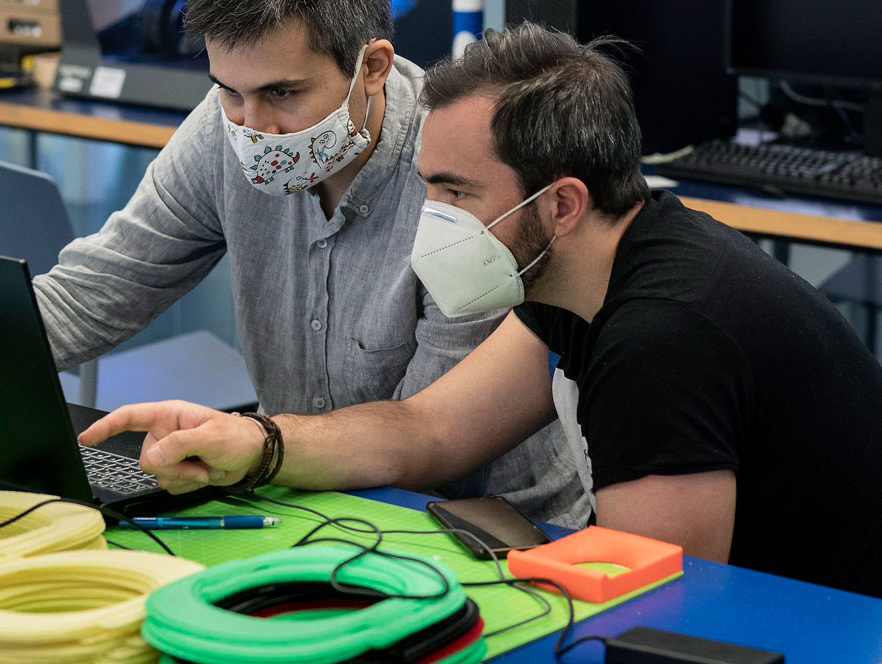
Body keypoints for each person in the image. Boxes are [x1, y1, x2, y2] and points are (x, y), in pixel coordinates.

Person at [0, 2, 586, 526]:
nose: (253, 129)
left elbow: (425, 444)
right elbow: (91, 294)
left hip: (478, 524)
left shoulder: (457, 165)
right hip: (291, 490)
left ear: (373, 65)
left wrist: (257, 454)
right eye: (229, 91)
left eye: (283, 94)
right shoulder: (222, 131)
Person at [76, 23, 882, 597]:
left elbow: (656, 614)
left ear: (560, 203)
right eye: (427, 183)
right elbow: (428, 430)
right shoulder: (582, 273)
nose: (431, 216)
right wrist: (256, 442)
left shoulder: (661, 341)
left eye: (456, 192)